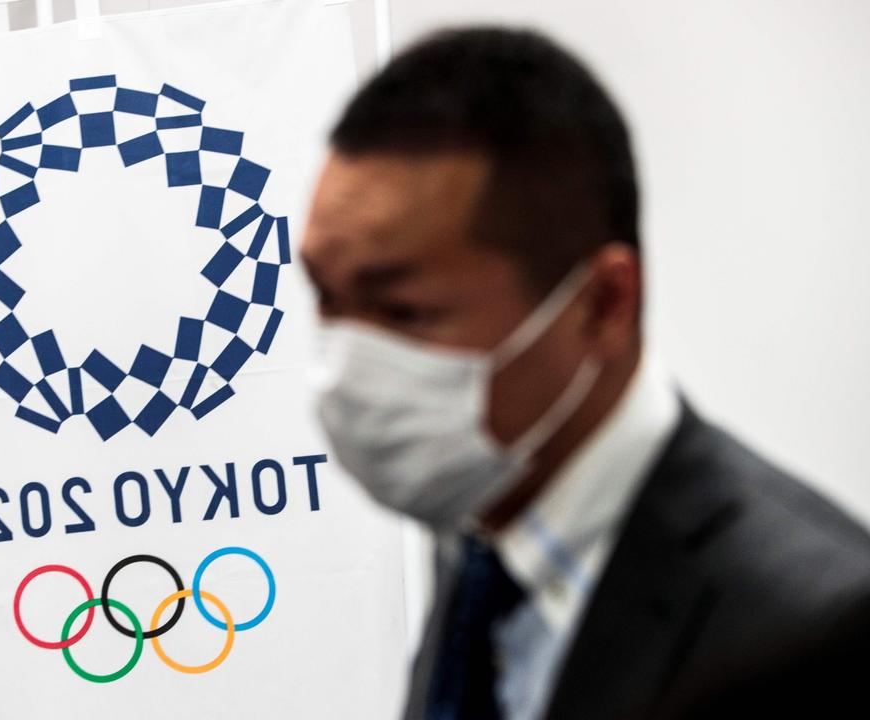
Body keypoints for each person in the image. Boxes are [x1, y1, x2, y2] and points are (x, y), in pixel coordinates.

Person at [301, 27, 870, 720]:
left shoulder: (817, 633)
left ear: (604, 304)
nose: (348, 365)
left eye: (405, 311)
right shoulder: (483, 540)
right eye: (327, 299)